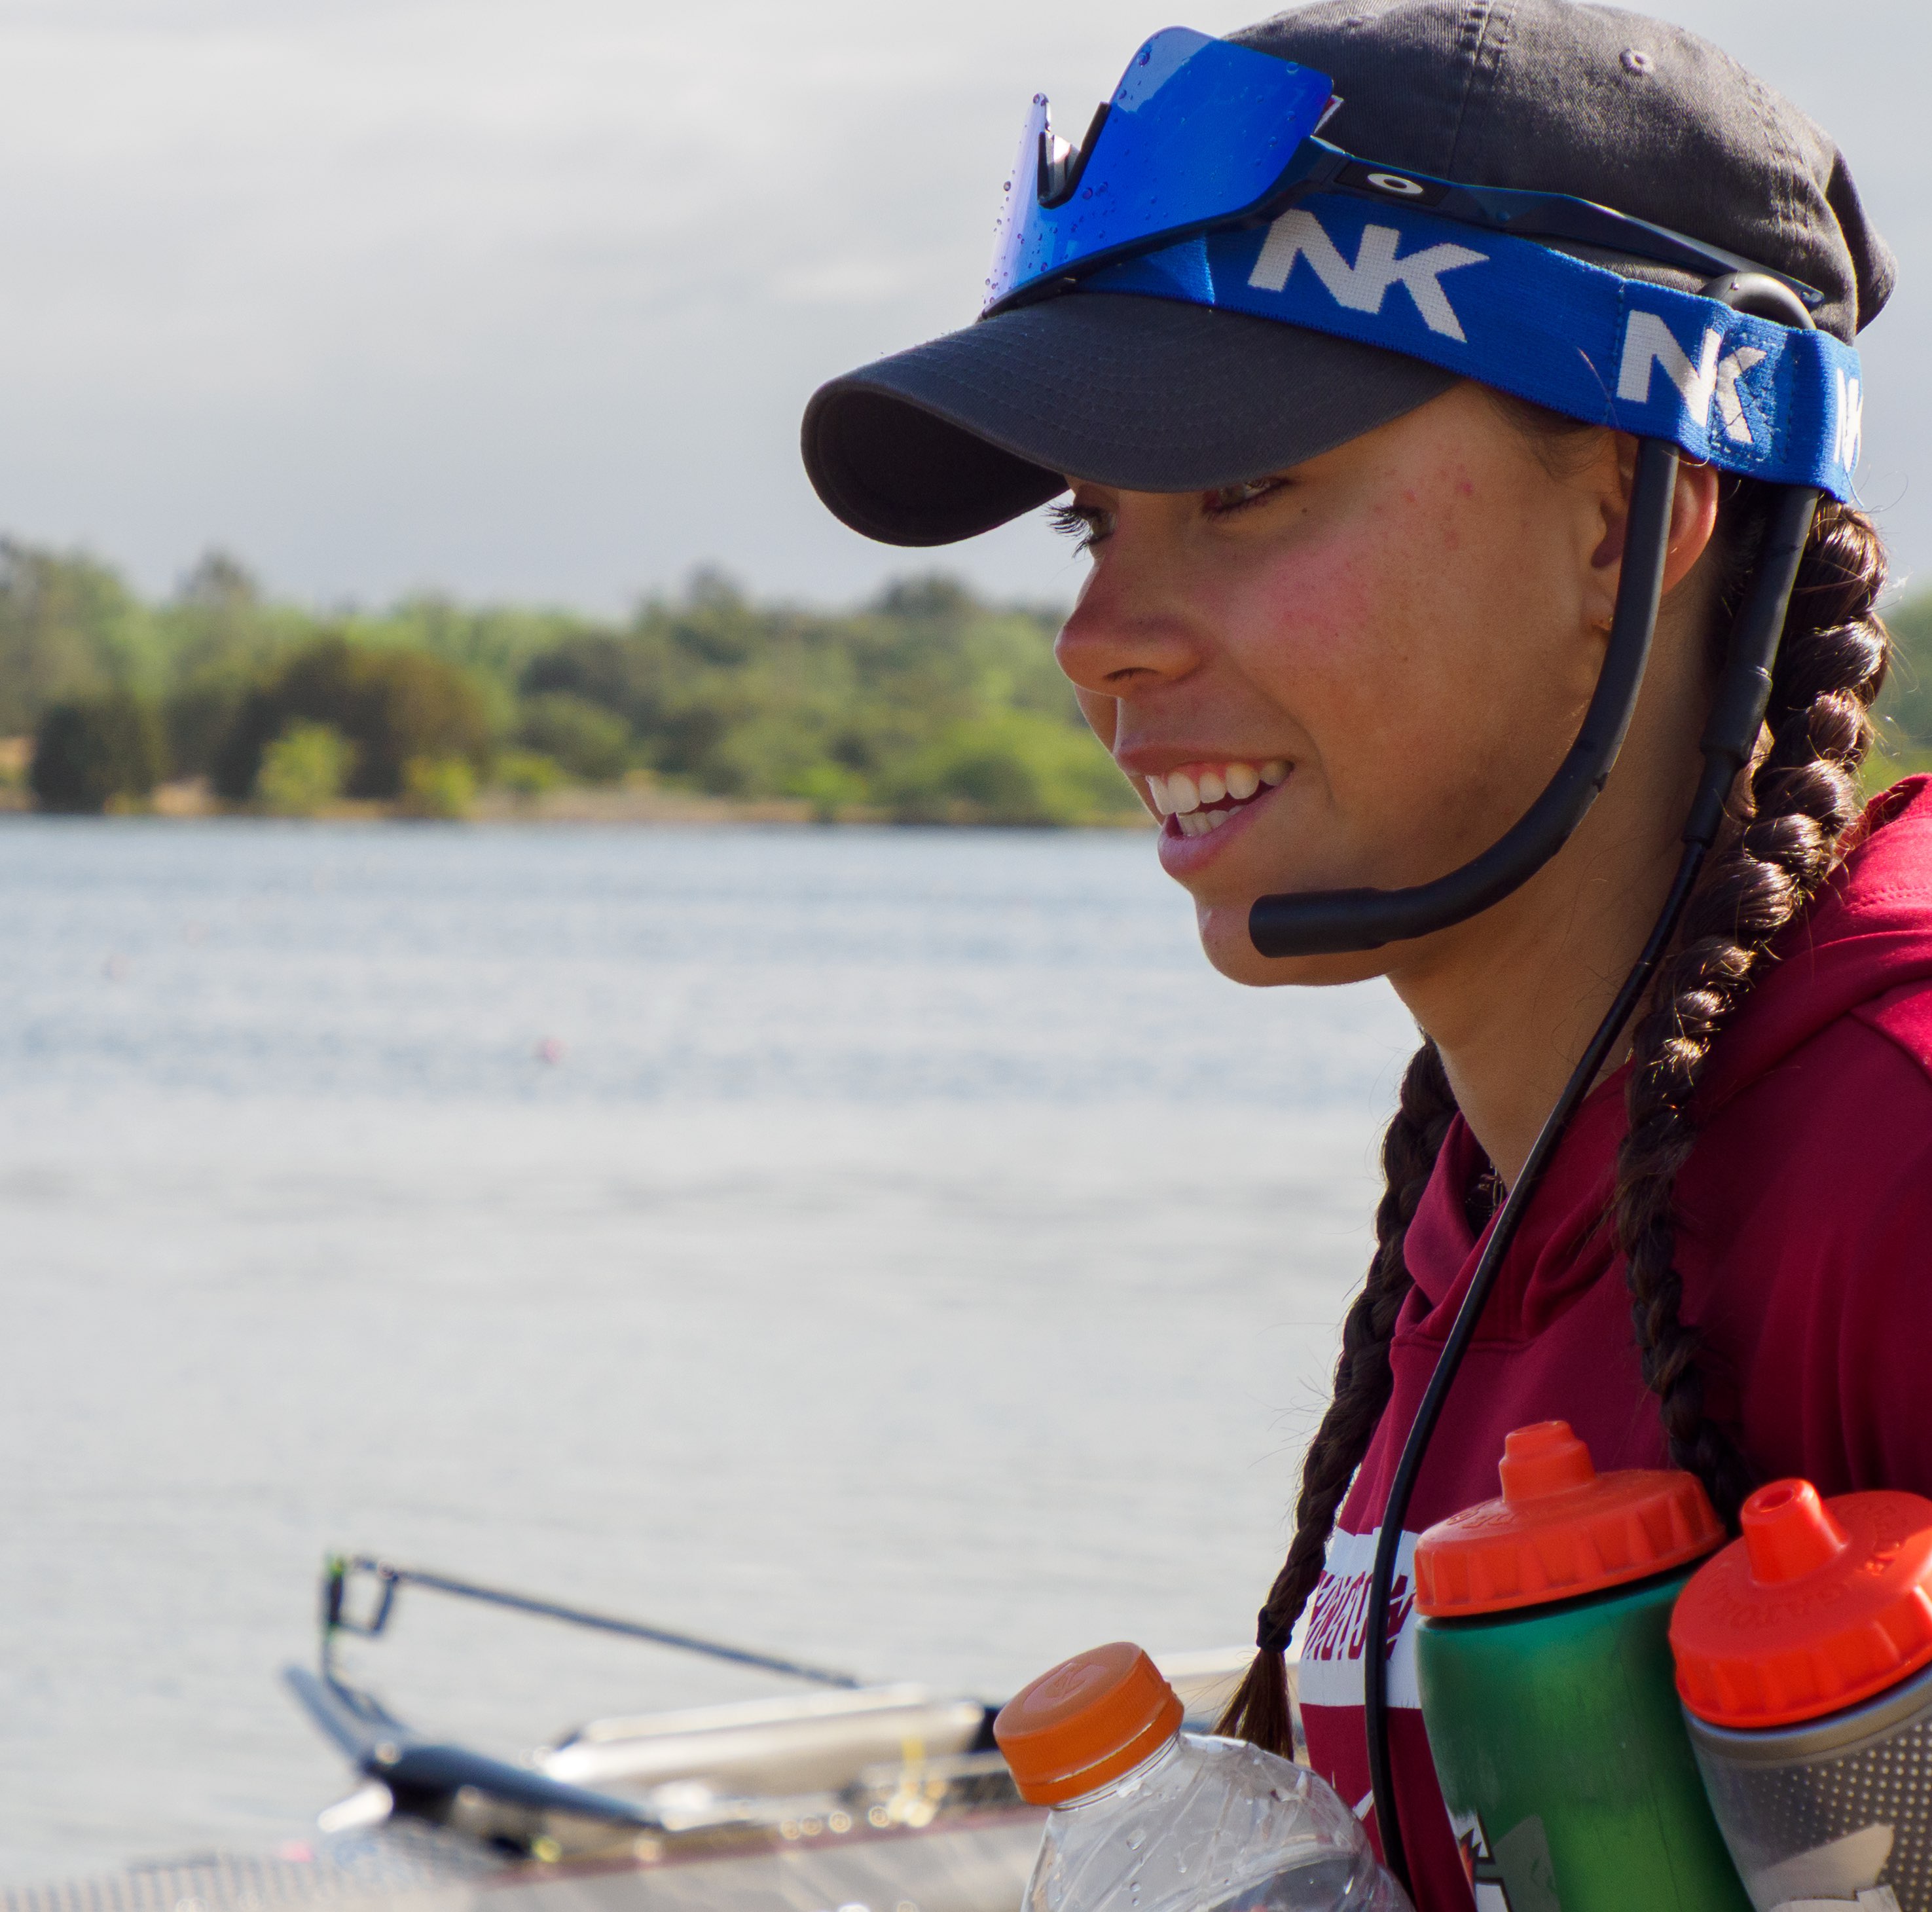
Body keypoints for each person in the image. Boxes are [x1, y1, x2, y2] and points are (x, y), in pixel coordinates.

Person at [800, 4, 1922, 1907]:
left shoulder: (1895, 1146)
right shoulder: (1502, 1177)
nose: (1097, 638)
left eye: (1243, 490)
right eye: (1091, 523)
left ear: (1626, 517)